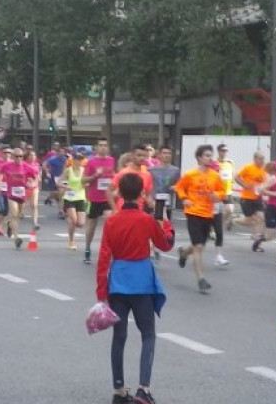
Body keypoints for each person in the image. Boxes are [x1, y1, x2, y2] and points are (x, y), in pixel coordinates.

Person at [96, 172, 174, 404]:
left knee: (119, 337)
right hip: (141, 282)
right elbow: (165, 244)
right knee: (148, 334)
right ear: (142, 194)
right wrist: (165, 221)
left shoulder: (111, 221)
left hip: (118, 282)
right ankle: (144, 389)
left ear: (119, 193)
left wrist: (101, 295)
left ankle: (119, 391)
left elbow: (103, 259)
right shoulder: (146, 220)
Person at [175, 144, 225, 293]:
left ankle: (183, 252)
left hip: (208, 214)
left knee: (200, 246)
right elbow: (179, 187)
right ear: (199, 158)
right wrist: (184, 199)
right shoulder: (190, 175)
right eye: (207, 155)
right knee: (198, 247)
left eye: (211, 155)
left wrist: (218, 196)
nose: (210, 158)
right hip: (193, 213)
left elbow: (222, 191)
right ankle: (201, 279)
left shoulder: (215, 176)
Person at [82, 137, 117, 264]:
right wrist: (95, 175)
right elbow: (83, 180)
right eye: (101, 145)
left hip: (107, 198)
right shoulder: (91, 162)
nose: (103, 147)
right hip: (94, 198)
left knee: (110, 221)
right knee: (91, 226)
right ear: (96, 147)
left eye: (105, 145)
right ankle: (87, 248)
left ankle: (110, 250)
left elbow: (114, 176)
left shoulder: (111, 160)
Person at [148, 147, 183, 261]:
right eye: (164, 153)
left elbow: (181, 185)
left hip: (168, 202)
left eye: (169, 153)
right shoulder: (152, 170)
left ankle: (155, 247)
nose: (166, 155)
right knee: (156, 224)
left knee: (163, 226)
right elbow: (148, 185)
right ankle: (152, 250)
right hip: (156, 201)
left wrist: (176, 187)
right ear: (159, 155)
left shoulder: (175, 170)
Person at [234, 151, 268, 251]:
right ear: (255, 159)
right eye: (260, 159)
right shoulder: (248, 168)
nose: (262, 161)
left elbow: (263, 184)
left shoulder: (263, 170)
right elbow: (236, 177)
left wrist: (263, 190)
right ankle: (233, 220)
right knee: (248, 221)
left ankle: (257, 243)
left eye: (263, 159)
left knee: (261, 218)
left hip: (257, 199)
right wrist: (244, 185)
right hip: (247, 198)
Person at [62, 152, 87, 249]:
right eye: (77, 159)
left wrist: (86, 185)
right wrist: (66, 186)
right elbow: (59, 182)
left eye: (80, 160)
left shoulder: (84, 171)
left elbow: (87, 182)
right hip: (70, 198)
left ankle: (71, 224)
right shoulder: (68, 170)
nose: (79, 162)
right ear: (73, 160)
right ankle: (71, 241)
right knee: (73, 220)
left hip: (80, 198)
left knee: (80, 223)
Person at [214, 144, 236, 231]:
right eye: (222, 151)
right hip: (217, 191)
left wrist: (232, 184)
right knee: (215, 212)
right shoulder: (214, 163)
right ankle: (213, 227)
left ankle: (219, 224)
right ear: (218, 151)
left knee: (230, 210)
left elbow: (232, 175)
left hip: (227, 191)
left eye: (225, 151)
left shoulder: (230, 163)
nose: (224, 153)